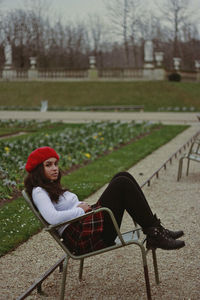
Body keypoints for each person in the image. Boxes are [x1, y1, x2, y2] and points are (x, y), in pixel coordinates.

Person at [24, 146, 185, 255]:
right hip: (83, 237)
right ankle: (155, 233)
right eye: (48, 165)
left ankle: (155, 230)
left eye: (56, 164)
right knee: (121, 183)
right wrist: (80, 210)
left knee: (123, 176)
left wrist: (82, 209)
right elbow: (52, 218)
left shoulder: (50, 187)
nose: (55, 168)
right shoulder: (39, 191)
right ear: (39, 169)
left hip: (87, 226)